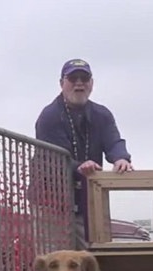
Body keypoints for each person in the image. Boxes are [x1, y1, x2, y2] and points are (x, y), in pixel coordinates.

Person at [34, 58, 133, 247]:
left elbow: (114, 141)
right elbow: (55, 159)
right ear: (62, 83)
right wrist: (79, 166)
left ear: (92, 84)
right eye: (73, 78)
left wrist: (121, 158)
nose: (79, 83)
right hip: (50, 203)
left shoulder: (102, 114)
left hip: (87, 200)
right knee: (55, 262)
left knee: (91, 259)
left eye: (84, 78)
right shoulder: (49, 116)